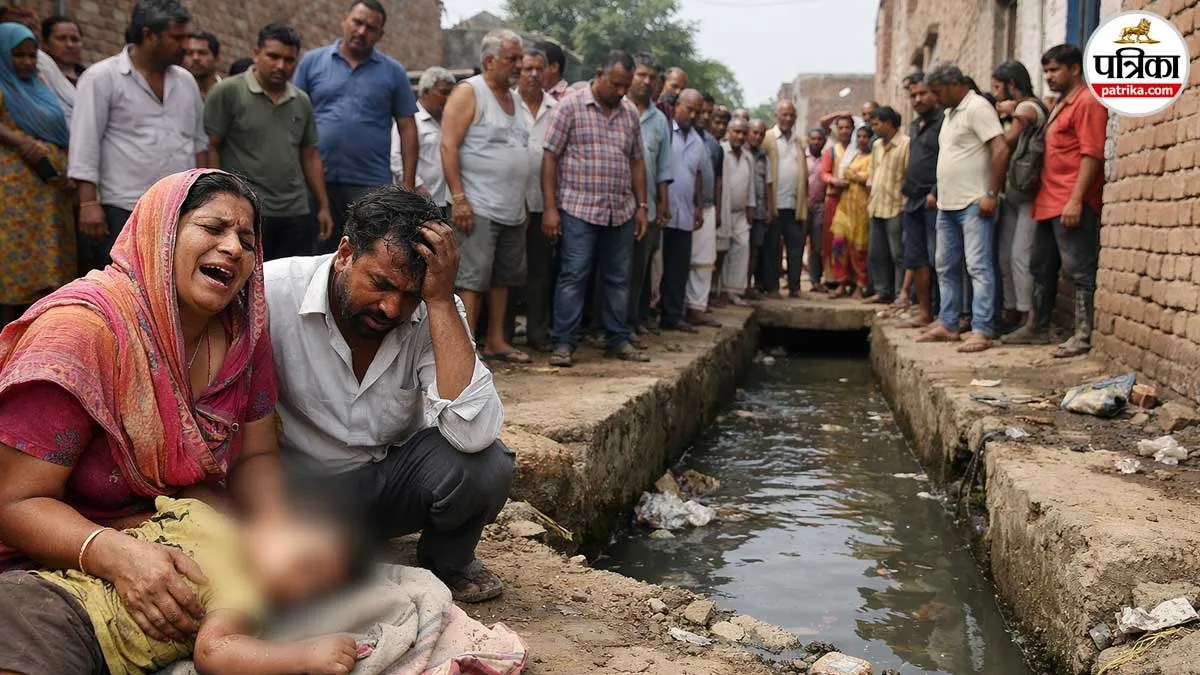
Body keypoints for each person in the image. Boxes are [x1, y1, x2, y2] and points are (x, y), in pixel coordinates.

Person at [0, 170, 288, 643]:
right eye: (214, 229)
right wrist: (116, 555)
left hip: (175, 536)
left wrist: (274, 531)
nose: (235, 248)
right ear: (162, 233)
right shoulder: (82, 332)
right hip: (56, 554)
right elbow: (14, 503)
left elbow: (258, 455)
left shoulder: (241, 334)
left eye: (247, 239)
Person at [264, 185, 513, 603]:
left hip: (383, 489)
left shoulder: (434, 310)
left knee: (487, 466)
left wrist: (437, 303)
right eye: (381, 284)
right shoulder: (272, 293)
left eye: (409, 295)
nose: (391, 309)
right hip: (293, 495)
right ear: (345, 254)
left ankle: (446, 561)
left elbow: (475, 434)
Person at [0, 495, 361, 674]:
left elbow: (131, 522)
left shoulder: (200, 515)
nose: (300, 583)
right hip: (67, 624)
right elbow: (214, 653)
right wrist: (304, 655)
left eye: (313, 587)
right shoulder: (241, 590)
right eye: (306, 560)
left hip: (33, 594)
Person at [70, 0, 207, 273]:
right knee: (127, 284)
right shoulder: (101, 78)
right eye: (176, 37)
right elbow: (85, 144)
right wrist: (88, 204)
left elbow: (197, 142)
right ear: (149, 35)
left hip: (178, 206)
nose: (185, 46)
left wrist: (203, 198)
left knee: (171, 281)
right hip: (124, 205)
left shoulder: (185, 81)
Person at [542, 50, 649, 366]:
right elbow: (550, 156)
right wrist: (550, 208)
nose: (621, 91)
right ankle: (563, 343)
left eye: (625, 86)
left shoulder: (629, 112)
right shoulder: (571, 106)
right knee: (574, 275)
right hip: (579, 208)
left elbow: (637, 161)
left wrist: (642, 206)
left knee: (619, 278)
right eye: (616, 84)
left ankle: (618, 338)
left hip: (621, 210)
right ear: (599, 74)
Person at [1003, 44, 1107, 358]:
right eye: (1046, 70)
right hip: (1048, 200)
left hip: (1071, 201)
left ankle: (1083, 334)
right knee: (1041, 266)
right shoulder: (1062, 104)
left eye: (1054, 70)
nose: (1048, 76)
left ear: (1074, 69)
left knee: (1079, 269)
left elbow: (1092, 154)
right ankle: (1037, 327)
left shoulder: (1087, 102)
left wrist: (1076, 200)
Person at [294, 0, 418, 252]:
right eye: (357, 22)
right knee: (315, 254)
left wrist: (407, 182)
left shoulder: (393, 72)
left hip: (369, 183)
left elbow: (407, 126)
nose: (361, 31)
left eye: (370, 28)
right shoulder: (312, 62)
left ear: (380, 34)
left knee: (364, 254)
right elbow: (293, 116)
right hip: (316, 180)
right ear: (344, 20)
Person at [205, 23, 333, 262]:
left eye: (289, 60)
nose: (281, 66)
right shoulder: (228, 92)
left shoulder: (301, 101)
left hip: (295, 212)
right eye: (273, 56)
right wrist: (218, 198)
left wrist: (323, 205)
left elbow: (310, 155)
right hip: (246, 210)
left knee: (289, 284)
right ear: (256, 53)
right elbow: (211, 146)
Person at [441, 29, 530, 364]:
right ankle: (466, 348)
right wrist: (459, 197)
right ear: (490, 61)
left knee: (502, 280)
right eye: (512, 59)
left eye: (520, 58)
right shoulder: (470, 92)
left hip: (511, 209)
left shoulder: (515, 98)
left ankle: (495, 341)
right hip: (477, 206)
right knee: (472, 280)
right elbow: (448, 145)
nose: (519, 66)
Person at [918, 63, 1009, 353]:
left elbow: (1000, 148)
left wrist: (991, 193)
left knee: (978, 267)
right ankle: (949, 323)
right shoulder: (949, 114)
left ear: (954, 83)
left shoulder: (977, 107)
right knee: (945, 266)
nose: (934, 98)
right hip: (947, 205)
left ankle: (982, 329)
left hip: (973, 202)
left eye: (937, 91)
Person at [0, 23, 75, 325]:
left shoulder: (41, 89)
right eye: (19, 56)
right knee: (13, 269)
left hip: (50, 195)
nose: (27, 63)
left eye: (32, 56)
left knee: (50, 264)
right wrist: (21, 142)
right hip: (13, 197)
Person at [990, 59, 1047, 331]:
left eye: (998, 87)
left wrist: (1001, 115)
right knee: (1005, 255)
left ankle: (1027, 316)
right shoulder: (1020, 108)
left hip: (1029, 193)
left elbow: (1008, 141)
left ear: (1012, 85)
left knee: (1019, 255)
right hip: (1014, 191)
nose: (997, 93)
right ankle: (1011, 310)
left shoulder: (1027, 108)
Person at [626, 53, 672, 341]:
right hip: (615, 206)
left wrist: (662, 206)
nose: (645, 82)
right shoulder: (617, 109)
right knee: (612, 272)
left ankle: (631, 323)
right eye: (641, 75)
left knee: (638, 273)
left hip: (648, 208)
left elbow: (663, 168)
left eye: (651, 78)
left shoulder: (659, 121)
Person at [517, 48, 557, 353]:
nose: (533, 73)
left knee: (540, 271)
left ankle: (537, 332)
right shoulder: (507, 104)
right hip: (508, 202)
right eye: (527, 67)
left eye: (538, 68)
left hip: (543, 204)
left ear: (547, 72)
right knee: (504, 272)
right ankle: (499, 335)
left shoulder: (557, 109)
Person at [897, 75, 943, 329]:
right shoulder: (915, 126)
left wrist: (935, 191)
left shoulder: (943, 121)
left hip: (933, 200)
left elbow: (947, 158)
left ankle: (945, 314)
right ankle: (924, 312)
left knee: (940, 259)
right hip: (913, 200)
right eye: (913, 95)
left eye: (922, 94)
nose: (917, 99)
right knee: (917, 259)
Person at [660, 89, 705, 332]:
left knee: (678, 268)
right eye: (689, 109)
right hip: (663, 211)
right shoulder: (665, 132)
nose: (693, 114)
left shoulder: (697, 139)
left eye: (697, 111)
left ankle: (673, 316)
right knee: (656, 268)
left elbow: (696, 174)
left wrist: (698, 206)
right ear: (677, 105)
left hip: (685, 212)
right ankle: (647, 316)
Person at [761, 100, 811, 298]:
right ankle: (772, 287)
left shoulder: (798, 142)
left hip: (794, 205)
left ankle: (794, 287)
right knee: (772, 249)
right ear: (777, 116)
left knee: (796, 249)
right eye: (784, 115)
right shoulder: (768, 139)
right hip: (774, 205)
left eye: (791, 115)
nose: (788, 119)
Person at [390, 67, 456, 211]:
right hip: (420, 201)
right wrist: (416, 185)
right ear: (426, 92)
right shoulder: (411, 121)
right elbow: (396, 158)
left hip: (447, 200)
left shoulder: (450, 122)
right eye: (444, 92)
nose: (449, 98)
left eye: (452, 93)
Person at [864, 105, 909, 305]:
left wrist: (905, 203)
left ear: (888, 123)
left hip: (895, 207)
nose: (873, 128)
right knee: (876, 253)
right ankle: (883, 291)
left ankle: (900, 294)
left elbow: (909, 176)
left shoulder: (905, 144)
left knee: (898, 254)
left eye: (876, 124)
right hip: (877, 206)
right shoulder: (876, 146)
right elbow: (872, 174)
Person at [686, 93, 722, 324]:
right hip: (683, 206)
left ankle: (697, 305)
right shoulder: (680, 135)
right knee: (681, 259)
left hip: (707, 207)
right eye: (701, 111)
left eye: (709, 112)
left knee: (703, 261)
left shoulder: (712, 143)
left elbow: (717, 178)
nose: (704, 116)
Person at [827, 127, 873, 299]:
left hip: (861, 209)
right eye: (859, 137)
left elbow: (867, 178)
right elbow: (842, 173)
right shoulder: (851, 155)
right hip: (844, 207)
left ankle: (859, 287)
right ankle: (841, 283)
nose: (862, 140)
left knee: (859, 249)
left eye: (865, 137)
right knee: (838, 244)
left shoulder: (873, 157)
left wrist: (853, 175)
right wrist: (855, 175)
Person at [717, 117, 754, 305]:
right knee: (722, 249)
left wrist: (751, 208)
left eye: (743, 132)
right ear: (728, 132)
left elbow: (752, 186)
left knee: (742, 246)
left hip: (740, 211)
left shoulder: (748, 156)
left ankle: (733, 290)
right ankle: (718, 290)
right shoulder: (721, 151)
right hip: (723, 209)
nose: (740, 136)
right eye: (736, 132)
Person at [821, 115, 854, 285]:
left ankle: (851, 277)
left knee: (853, 239)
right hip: (834, 199)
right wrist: (835, 181)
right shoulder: (832, 151)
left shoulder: (857, 150)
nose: (844, 131)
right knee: (833, 238)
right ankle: (833, 277)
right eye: (840, 128)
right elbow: (824, 173)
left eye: (847, 127)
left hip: (853, 201)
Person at [745, 119, 774, 298]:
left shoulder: (764, 157)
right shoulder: (739, 151)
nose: (757, 136)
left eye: (761, 134)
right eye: (754, 132)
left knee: (755, 249)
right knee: (740, 249)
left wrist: (770, 209)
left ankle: (748, 285)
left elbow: (768, 184)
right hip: (741, 210)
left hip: (760, 210)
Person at [802, 126, 827, 293]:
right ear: (808, 140)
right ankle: (793, 280)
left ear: (823, 141)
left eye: (819, 139)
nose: (816, 142)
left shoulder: (827, 158)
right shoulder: (802, 157)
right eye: (813, 139)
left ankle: (815, 280)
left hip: (820, 206)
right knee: (797, 244)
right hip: (803, 205)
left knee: (817, 246)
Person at [40, 15, 85, 85]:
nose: (70, 45)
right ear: (45, 44)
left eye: (75, 39)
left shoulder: (89, 79)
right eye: (61, 39)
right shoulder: (39, 77)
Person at [183, 29, 220, 99]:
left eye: (202, 53)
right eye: (189, 53)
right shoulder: (176, 93)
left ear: (216, 59)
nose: (195, 58)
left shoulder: (228, 94)